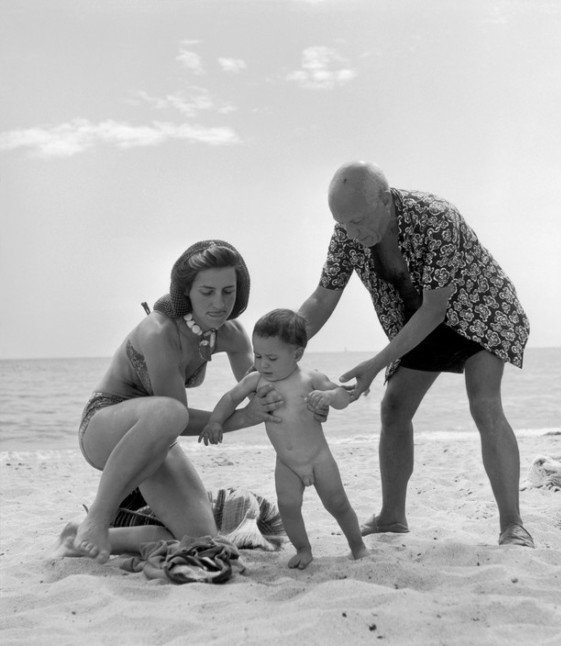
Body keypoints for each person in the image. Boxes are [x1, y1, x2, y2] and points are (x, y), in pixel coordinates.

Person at [298, 161, 534, 548]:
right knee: (394, 409)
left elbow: (435, 309)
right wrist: (284, 347)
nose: (353, 234)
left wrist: (374, 366)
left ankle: (513, 524)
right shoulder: (346, 234)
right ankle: (393, 516)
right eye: (343, 224)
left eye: (358, 222)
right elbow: (323, 296)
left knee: (485, 405)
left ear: (386, 201)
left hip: (478, 313)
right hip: (419, 323)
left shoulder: (435, 217)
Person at [54, 240, 283, 563]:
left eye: (228, 291)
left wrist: (291, 393)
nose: (219, 303)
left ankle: (75, 535)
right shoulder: (160, 332)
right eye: (207, 292)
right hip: (103, 427)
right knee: (171, 412)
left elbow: (257, 384)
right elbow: (179, 417)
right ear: (186, 290)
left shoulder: (231, 333)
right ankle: (98, 516)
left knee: (201, 542)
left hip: (157, 439)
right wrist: (245, 418)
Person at [200, 308, 369, 569]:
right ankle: (304, 549)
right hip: (287, 462)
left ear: (297, 354)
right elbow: (231, 398)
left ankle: (357, 546)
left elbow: (342, 397)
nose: (262, 363)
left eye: (271, 357)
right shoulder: (255, 380)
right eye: (257, 355)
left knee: (337, 503)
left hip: (318, 458)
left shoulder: (310, 378)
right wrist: (215, 421)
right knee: (288, 507)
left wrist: (328, 397)